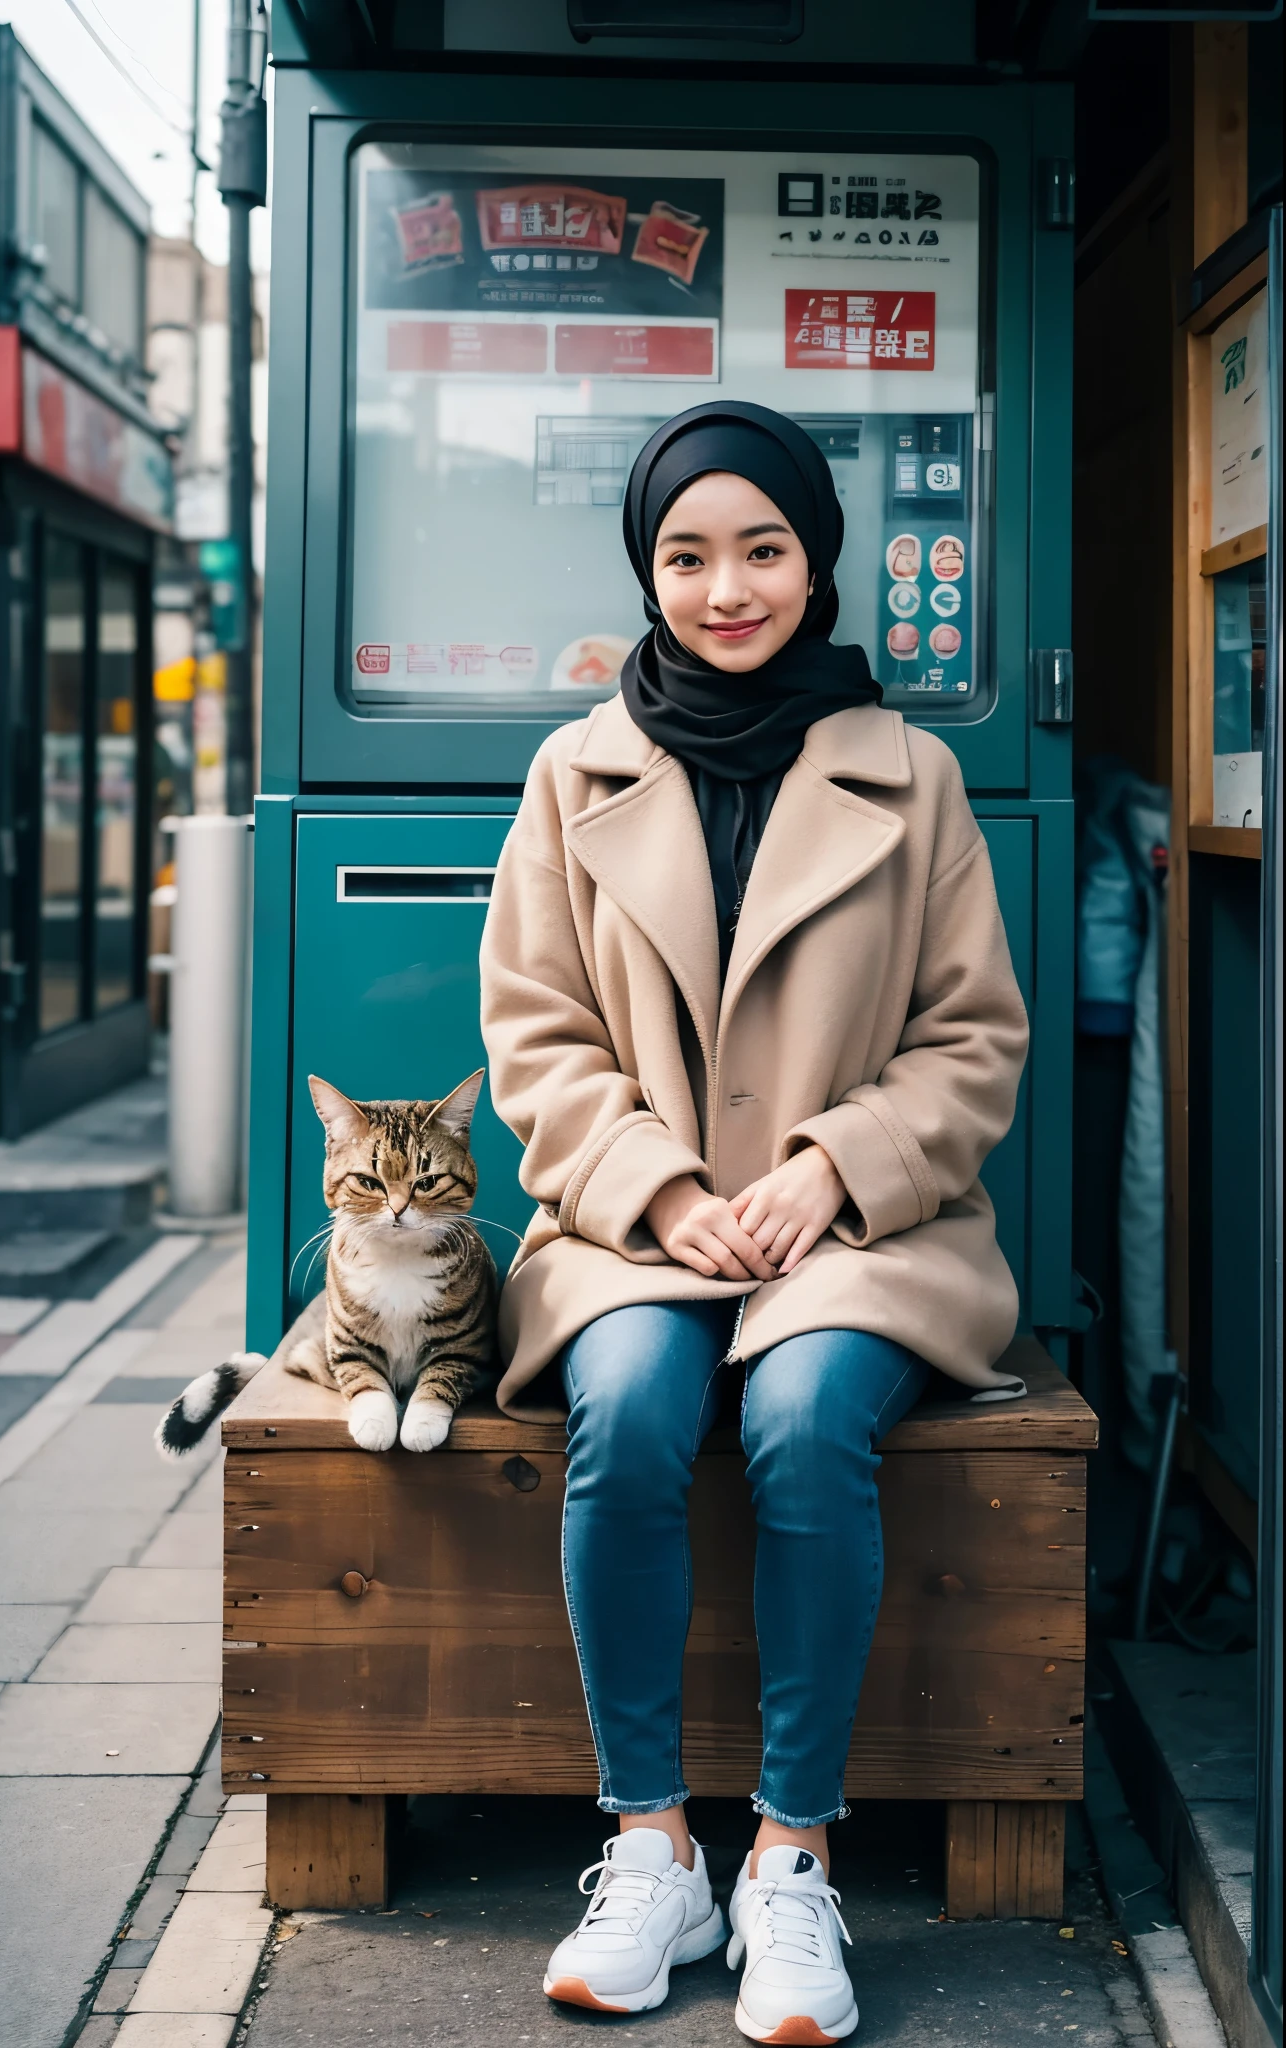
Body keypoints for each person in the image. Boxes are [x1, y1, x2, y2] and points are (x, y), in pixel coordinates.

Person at [479, 401, 1030, 2043]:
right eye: (687, 555)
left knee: (799, 1415)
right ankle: (649, 1844)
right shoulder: (572, 769)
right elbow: (535, 1028)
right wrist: (657, 1185)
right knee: (634, 1402)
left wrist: (831, 1168)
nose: (729, 587)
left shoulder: (911, 776)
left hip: (853, 1233)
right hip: (633, 1219)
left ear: (818, 561)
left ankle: (791, 1863)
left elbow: (971, 1036)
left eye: (764, 549)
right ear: (648, 574)